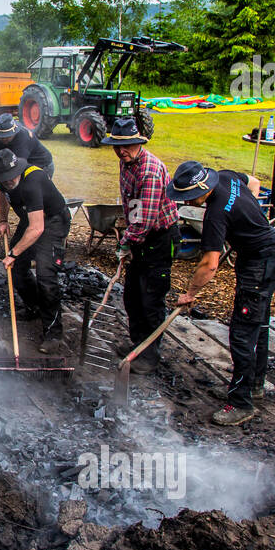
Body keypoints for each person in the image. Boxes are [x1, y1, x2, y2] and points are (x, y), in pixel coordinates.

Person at [167, 160, 275, 425]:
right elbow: (253, 183)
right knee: (259, 325)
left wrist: (189, 293)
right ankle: (253, 386)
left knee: (242, 333)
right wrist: (247, 218)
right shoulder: (226, 176)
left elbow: (209, 265)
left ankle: (241, 404)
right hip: (269, 254)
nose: (187, 202)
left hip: (259, 264)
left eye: (188, 198)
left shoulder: (216, 214)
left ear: (200, 190)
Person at [102, 117, 179, 374]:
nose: (120, 151)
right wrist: (130, 241)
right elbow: (131, 207)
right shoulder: (126, 164)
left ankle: (150, 355)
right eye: (117, 146)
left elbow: (145, 220)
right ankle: (138, 345)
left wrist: (125, 243)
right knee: (132, 295)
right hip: (139, 235)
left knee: (151, 298)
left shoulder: (150, 171)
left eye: (127, 146)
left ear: (138, 143)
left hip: (158, 238)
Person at [0, 148, 72, 355]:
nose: (7, 181)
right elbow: (4, 194)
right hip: (32, 220)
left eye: (10, 178)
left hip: (53, 222)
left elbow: (37, 229)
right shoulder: (3, 180)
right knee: (17, 269)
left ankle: (54, 334)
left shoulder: (33, 181)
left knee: (46, 276)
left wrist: (13, 254)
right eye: (3, 179)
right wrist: (3, 220)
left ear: (17, 170)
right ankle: (34, 306)